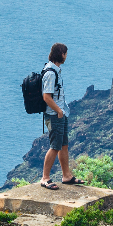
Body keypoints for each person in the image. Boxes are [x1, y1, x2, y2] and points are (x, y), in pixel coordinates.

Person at [40, 43, 79, 189]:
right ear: (61, 54)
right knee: (55, 146)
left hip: (59, 114)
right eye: (65, 54)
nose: (66, 56)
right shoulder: (51, 73)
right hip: (54, 114)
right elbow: (46, 97)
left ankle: (66, 176)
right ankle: (45, 178)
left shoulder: (55, 70)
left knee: (63, 145)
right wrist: (59, 111)